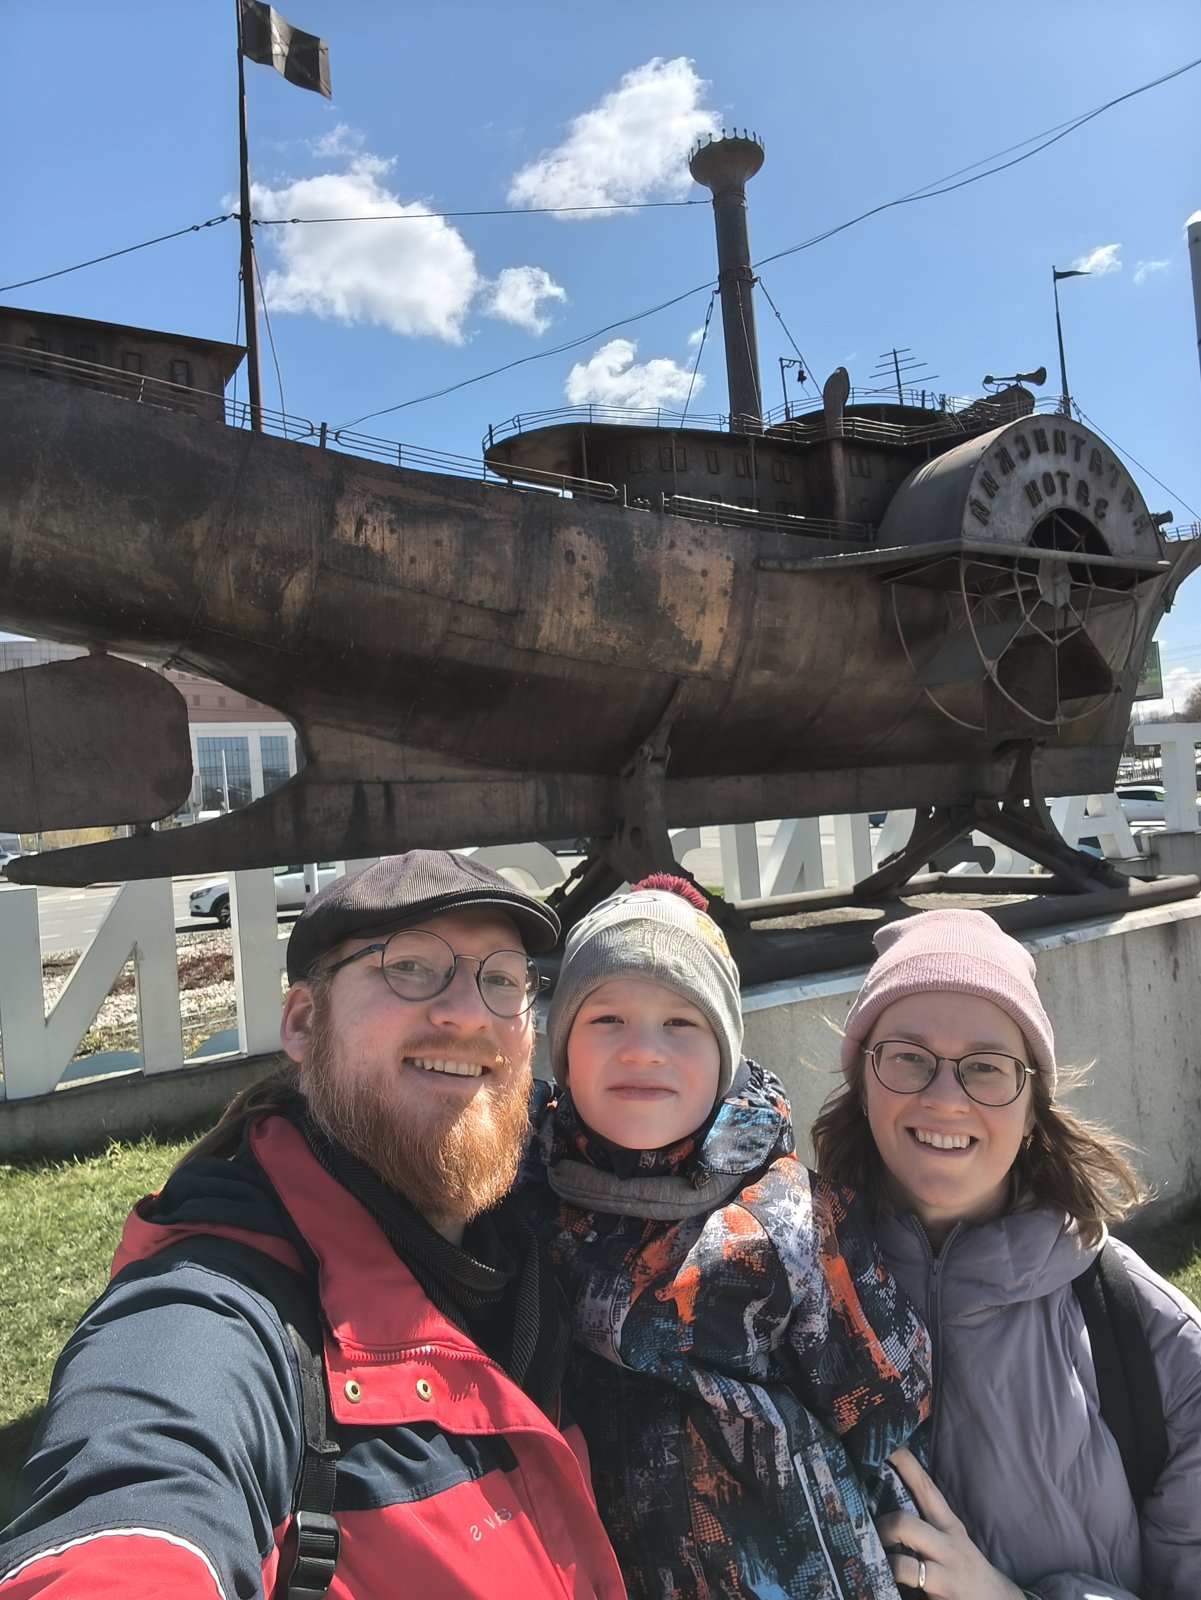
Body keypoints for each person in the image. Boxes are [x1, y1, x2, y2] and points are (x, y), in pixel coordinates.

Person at [0, 851, 625, 1600]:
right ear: (303, 1022)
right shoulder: (215, 1315)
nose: (469, 1012)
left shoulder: (544, 1238)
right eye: (410, 967)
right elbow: (132, 1508)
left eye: (503, 979)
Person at [516, 874, 933, 1600]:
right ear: (563, 1053)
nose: (642, 1049)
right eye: (605, 1018)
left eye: (681, 1022)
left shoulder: (788, 1217)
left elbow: (886, 1398)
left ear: (725, 1057)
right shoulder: (523, 1196)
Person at [812, 908, 1201, 1600]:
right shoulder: (784, 1296)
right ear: (863, 1083)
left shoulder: (1152, 1337)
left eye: (986, 1068)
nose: (944, 1098)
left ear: (1030, 1111)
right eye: (908, 1057)